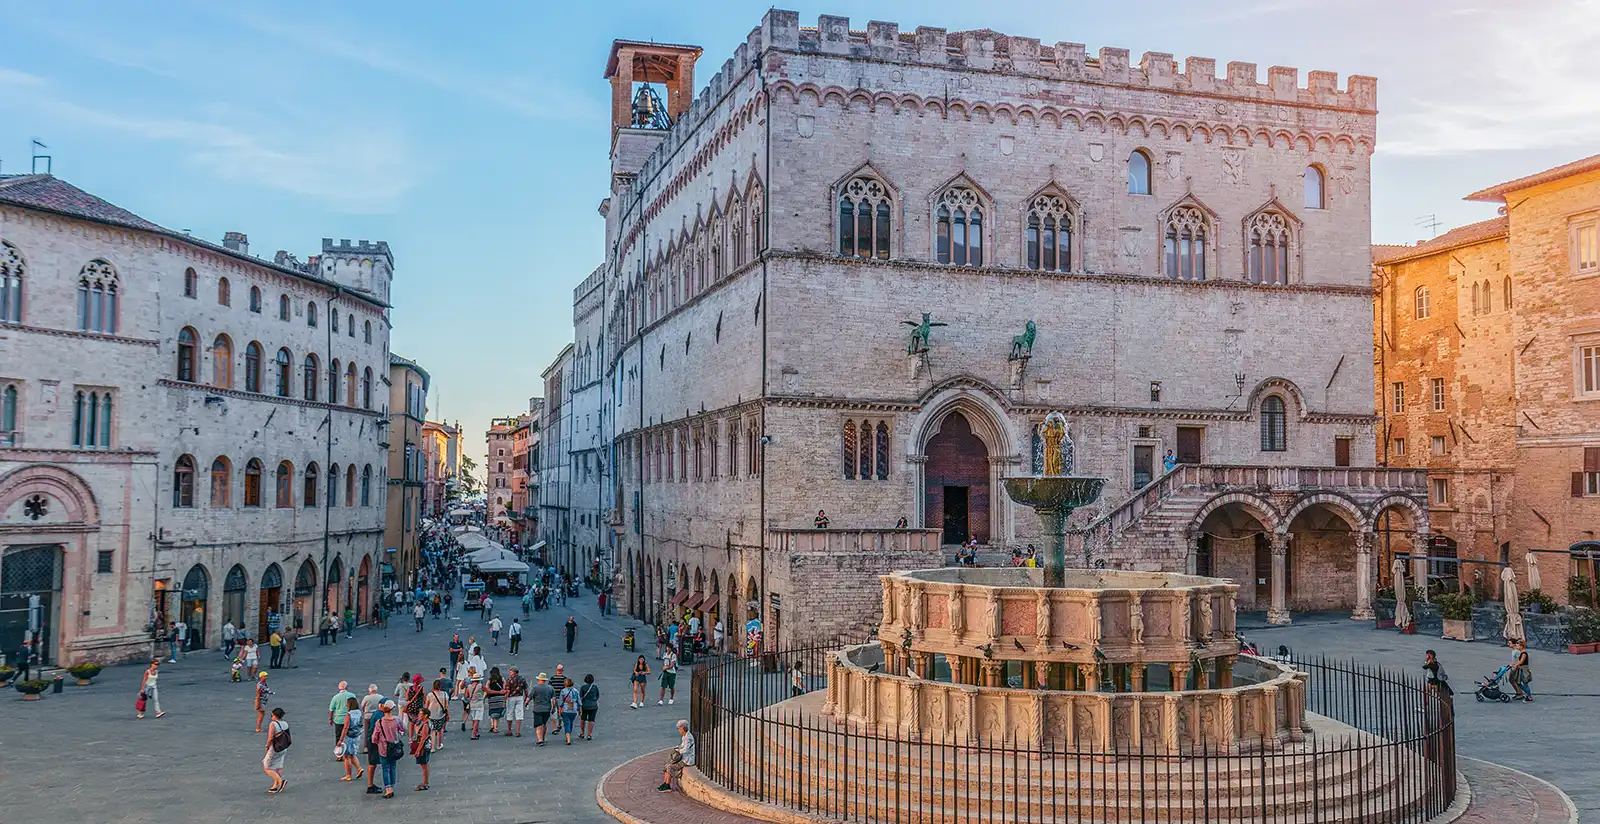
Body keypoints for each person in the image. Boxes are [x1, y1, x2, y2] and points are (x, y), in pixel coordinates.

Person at [370, 701, 404, 798]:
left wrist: (379, 742)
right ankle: (392, 786)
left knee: (385, 768)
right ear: (392, 709)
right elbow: (402, 730)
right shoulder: (397, 720)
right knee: (393, 767)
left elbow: (374, 738)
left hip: (383, 748)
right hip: (395, 747)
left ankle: (388, 788)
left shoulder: (379, 722)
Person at [657, 719, 696, 792]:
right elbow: (682, 746)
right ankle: (665, 783)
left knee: (670, 766)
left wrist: (679, 751)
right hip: (683, 758)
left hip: (687, 760)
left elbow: (685, 750)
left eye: (679, 729)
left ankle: (667, 785)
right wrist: (677, 748)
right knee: (667, 764)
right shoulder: (684, 736)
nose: (678, 730)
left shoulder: (688, 738)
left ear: (682, 729)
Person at [263, 707, 290, 794]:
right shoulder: (285, 723)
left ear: (274, 715)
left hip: (275, 747)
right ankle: (275, 786)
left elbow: (270, 737)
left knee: (266, 766)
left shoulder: (273, 724)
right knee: (278, 765)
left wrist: (267, 746)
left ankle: (280, 781)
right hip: (283, 747)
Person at [339, 697, 364, 781]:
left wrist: (340, 739)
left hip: (349, 736)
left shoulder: (349, 714)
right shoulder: (359, 713)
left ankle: (348, 775)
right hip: (357, 735)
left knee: (346, 756)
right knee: (353, 753)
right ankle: (359, 768)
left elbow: (345, 727)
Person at [411, 706, 435, 791]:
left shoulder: (425, 725)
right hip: (427, 745)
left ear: (425, 715)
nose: (418, 715)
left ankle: (425, 783)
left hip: (424, 747)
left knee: (424, 765)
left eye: (420, 714)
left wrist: (418, 750)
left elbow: (423, 738)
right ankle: (425, 782)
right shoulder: (429, 722)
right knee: (425, 764)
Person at [425, 679, 451, 751]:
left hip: (431, 715)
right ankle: (439, 744)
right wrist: (448, 715)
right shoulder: (445, 694)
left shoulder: (430, 695)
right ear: (441, 686)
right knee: (439, 730)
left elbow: (426, 706)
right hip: (440, 715)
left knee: (432, 731)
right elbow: (446, 706)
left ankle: (432, 747)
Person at [329, 681, 356, 749]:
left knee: (338, 736)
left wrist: (331, 719)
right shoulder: (352, 695)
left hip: (339, 719)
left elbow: (331, 709)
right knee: (349, 736)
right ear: (347, 687)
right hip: (349, 719)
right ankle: (349, 751)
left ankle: (339, 753)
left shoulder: (335, 697)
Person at [530, 672, 554, 746]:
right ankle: (543, 737)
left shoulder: (535, 687)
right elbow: (554, 699)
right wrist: (554, 708)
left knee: (538, 725)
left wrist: (526, 703)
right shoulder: (550, 688)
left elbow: (529, 697)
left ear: (539, 679)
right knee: (544, 723)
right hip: (547, 709)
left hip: (537, 709)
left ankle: (540, 740)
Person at [504, 667, 528, 737]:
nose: (510, 672)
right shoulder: (522, 679)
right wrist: (526, 697)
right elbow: (525, 688)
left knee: (510, 713)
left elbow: (507, 690)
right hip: (520, 697)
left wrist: (505, 700)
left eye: (511, 671)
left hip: (511, 697)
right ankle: (517, 731)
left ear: (514, 672)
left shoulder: (509, 679)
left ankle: (509, 730)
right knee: (519, 714)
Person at [557, 676, 580, 745]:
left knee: (566, 723)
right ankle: (569, 735)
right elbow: (579, 701)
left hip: (565, 709)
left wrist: (559, 709)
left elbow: (561, 702)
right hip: (574, 709)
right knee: (571, 723)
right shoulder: (576, 691)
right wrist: (579, 709)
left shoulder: (563, 691)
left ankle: (568, 739)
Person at [578, 673, 600, 741]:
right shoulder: (595, 687)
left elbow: (580, 697)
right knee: (591, 720)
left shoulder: (583, 687)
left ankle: (582, 733)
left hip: (585, 705)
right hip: (593, 705)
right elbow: (597, 695)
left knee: (583, 719)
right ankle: (589, 734)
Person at [486, 667, 507, 734]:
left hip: (492, 697)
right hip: (500, 697)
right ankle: (495, 727)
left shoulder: (490, 680)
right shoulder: (502, 679)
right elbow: (505, 686)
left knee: (492, 712)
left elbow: (487, 688)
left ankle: (492, 725)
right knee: (497, 713)